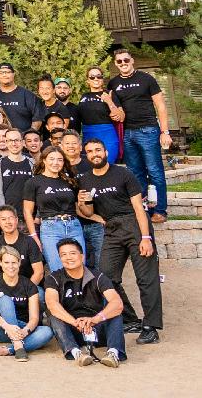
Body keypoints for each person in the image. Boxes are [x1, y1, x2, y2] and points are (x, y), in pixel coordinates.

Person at [79, 138, 163, 344]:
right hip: (112, 228)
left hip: (134, 224)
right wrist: (84, 204)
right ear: (86, 156)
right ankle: (130, 318)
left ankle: (151, 326)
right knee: (107, 277)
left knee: (146, 278)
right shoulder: (85, 180)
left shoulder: (123, 174)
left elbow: (139, 208)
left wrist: (146, 237)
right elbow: (88, 212)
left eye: (98, 150)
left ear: (106, 152)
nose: (94, 154)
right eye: (89, 151)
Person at [108, 50, 172, 223]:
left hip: (148, 130)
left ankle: (160, 210)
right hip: (128, 133)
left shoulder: (146, 79)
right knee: (136, 174)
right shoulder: (113, 83)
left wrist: (165, 132)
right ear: (116, 64)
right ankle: (143, 210)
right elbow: (114, 109)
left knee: (155, 172)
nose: (123, 63)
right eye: (119, 61)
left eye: (126, 60)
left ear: (132, 60)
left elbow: (161, 105)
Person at [43, 238, 124, 367]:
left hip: (95, 327)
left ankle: (113, 353)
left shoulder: (98, 277)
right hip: (72, 329)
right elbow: (52, 304)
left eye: (72, 253)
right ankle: (77, 353)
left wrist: (95, 319)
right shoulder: (53, 278)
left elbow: (117, 303)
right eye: (63, 255)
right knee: (54, 316)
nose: (68, 257)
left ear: (82, 256)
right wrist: (74, 322)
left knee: (115, 313)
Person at [0, 243, 53, 360]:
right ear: (0, 263)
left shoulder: (29, 285)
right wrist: (8, 327)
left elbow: (34, 318)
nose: (11, 266)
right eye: (6, 262)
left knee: (47, 331)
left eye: (14, 262)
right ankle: (17, 344)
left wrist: (25, 331)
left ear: (19, 263)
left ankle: (6, 350)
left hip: (21, 328)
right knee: (5, 300)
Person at [24, 145, 83, 274]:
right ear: (44, 160)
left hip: (74, 226)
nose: (55, 163)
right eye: (51, 159)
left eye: (59, 160)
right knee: (58, 270)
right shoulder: (34, 182)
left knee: (79, 268)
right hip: (51, 228)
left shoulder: (70, 181)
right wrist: (34, 235)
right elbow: (27, 211)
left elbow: (78, 207)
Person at [75, 66, 123, 160]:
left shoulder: (109, 94)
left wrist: (109, 101)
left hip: (107, 134)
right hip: (88, 134)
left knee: (107, 164)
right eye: (92, 77)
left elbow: (121, 117)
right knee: (90, 167)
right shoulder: (83, 96)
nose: (96, 79)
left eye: (99, 76)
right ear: (88, 81)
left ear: (102, 79)